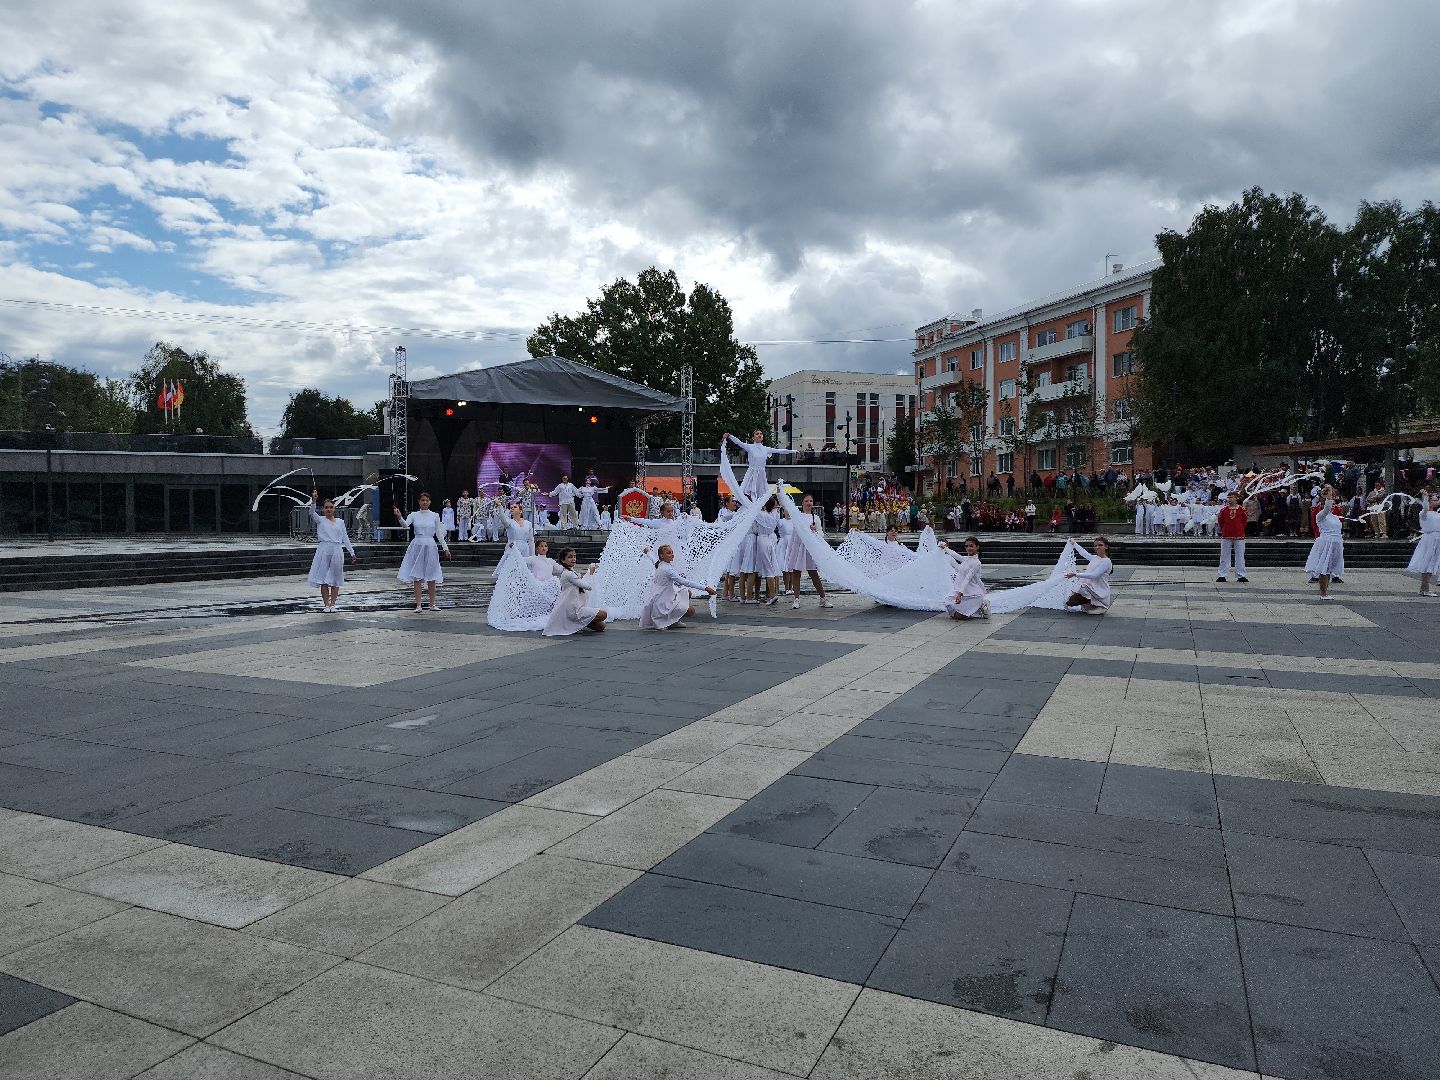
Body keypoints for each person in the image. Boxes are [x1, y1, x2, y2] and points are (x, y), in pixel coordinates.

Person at [394, 493, 452, 612]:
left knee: (431, 574)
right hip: (417, 544)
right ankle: (418, 605)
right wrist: (399, 517)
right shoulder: (414, 515)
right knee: (417, 574)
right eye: (422, 500)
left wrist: (445, 548)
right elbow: (405, 525)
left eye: (427, 500)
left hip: (430, 544)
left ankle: (432, 604)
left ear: (430, 502)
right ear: (419, 502)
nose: (424, 502)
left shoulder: (435, 515)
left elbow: (438, 533)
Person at [640, 543, 716, 629]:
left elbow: (653, 559)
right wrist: (705, 588)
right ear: (662, 556)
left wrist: (648, 552)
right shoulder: (667, 569)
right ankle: (666, 621)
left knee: (687, 592)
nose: (672, 555)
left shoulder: (659, 564)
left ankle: (673, 620)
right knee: (691, 611)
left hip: (660, 596)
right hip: (662, 600)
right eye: (668, 553)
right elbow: (684, 582)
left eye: (672, 552)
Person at [306, 490, 356, 612]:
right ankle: (326, 605)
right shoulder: (320, 520)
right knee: (323, 578)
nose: (329, 509)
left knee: (335, 577)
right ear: (323, 509)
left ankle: (333, 604)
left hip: (337, 550)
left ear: (334, 509)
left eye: (331, 507)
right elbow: (312, 513)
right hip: (324, 549)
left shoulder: (340, 522)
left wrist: (352, 552)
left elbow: (345, 538)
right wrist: (313, 501)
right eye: (326, 507)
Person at [542, 548, 607, 635]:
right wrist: (590, 572)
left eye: (574, 557)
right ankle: (574, 623)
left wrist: (589, 572)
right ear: (563, 560)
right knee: (604, 614)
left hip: (576, 607)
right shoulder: (568, 574)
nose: (573, 559)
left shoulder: (572, 572)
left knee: (601, 626)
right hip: (573, 610)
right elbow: (588, 586)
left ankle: (575, 624)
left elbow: (582, 582)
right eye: (570, 557)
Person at [784, 493, 833, 610]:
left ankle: (823, 598)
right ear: (802, 503)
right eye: (806, 501)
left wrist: (815, 530)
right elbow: (785, 503)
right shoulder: (798, 516)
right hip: (799, 546)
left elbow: (821, 533)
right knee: (796, 572)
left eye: (811, 501)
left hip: (810, 548)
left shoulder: (815, 518)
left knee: (813, 572)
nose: (809, 503)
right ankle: (796, 599)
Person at [723, 430, 798, 500]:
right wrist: (730, 436)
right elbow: (739, 442)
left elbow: (781, 451)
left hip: (761, 474)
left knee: (761, 494)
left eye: (761, 434)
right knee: (747, 492)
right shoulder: (750, 447)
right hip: (752, 473)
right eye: (757, 434)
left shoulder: (766, 449)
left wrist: (794, 451)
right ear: (753, 438)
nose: (759, 435)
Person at [1305, 486, 1345, 600]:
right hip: (1327, 542)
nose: (1332, 506)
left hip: (1336, 543)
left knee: (1329, 568)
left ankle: (1325, 592)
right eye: (1330, 504)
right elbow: (1327, 508)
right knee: (1324, 568)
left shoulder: (1336, 517)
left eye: (1333, 504)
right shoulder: (1320, 515)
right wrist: (1329, 494)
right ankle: (1323, 593)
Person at [942, 535, 990, 620]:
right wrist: (945, 548)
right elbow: (955, 555)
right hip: (961, 590)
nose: (968, 548)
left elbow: (967, 578)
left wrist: (960, 594)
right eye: (967, 546)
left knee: (958, 617)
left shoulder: (976, 563)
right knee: (948, 603)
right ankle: (977, 609)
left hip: (973, 593)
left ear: (977, 547)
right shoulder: (966, 559)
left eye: (971, 546)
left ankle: (980, 607)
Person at [1063, 537, 1113, 612]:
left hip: (1098, 588)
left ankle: (1099, 605)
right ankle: (1090, 604)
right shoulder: (1095, 558)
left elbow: (1094, 575)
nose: (1097, 547)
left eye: (1100, 545)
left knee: (1072, 600)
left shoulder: (1106, 561)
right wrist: (1074, 544)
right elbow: (1083, 553)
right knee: (1069, 602)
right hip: (1090, 586)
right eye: (1095, 546)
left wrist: (1075, 574)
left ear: (1106, 546)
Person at [1407, 492, 1440, 596]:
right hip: (1430, 539)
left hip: (1437, 538)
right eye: (1434, 500)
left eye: (1436, 500)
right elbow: (1425, 508)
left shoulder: (1437, 513)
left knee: (1432, 562)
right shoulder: (1423, 513)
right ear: (1429, 502)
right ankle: (1425, 589)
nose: (1436, 502)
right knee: (1427, 562)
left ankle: (1423, 588)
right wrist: (1425, 497)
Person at [1216, 491, 1249, 583]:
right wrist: (1225, 529)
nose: (1229, 499)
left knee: (1240, 555)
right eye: (1228, 497)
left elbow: (1245, 521)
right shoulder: (1223, 510)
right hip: (1226, 534)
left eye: (1231, 497)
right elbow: (1220, 521)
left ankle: (1241, 575)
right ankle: (1222, 574)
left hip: (1239, 535)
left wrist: (1240, 529)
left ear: (1236, 498)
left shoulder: (1242, 510)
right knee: (1224, 555)